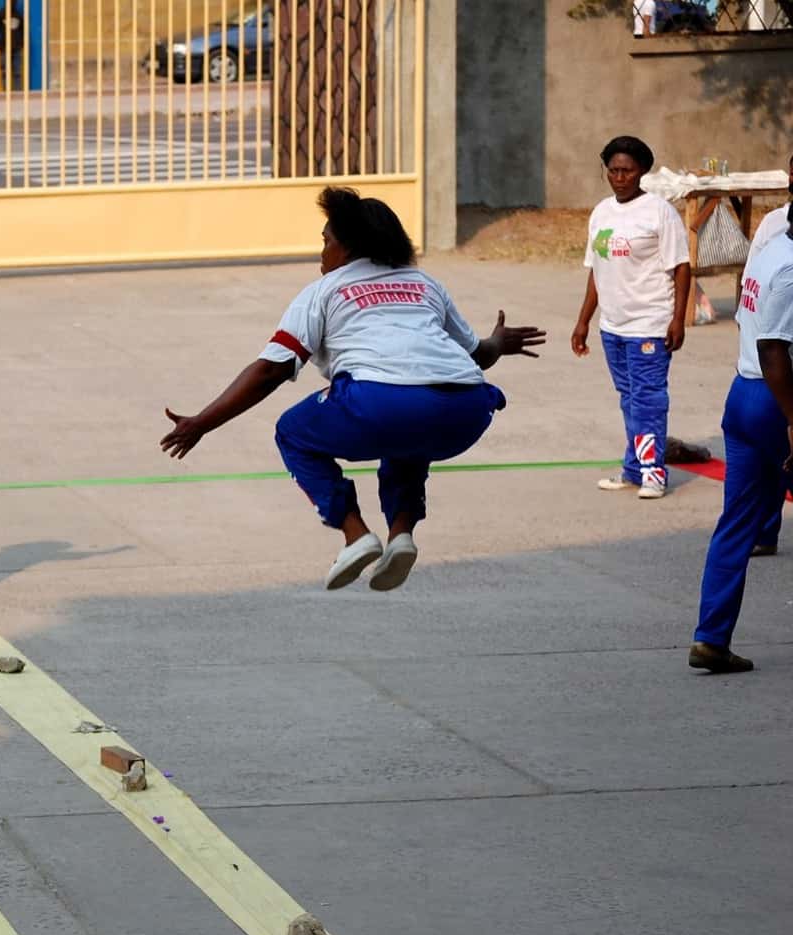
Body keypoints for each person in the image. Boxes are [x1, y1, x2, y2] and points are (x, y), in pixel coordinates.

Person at [159, 187, 545, 591]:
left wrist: (201, 422)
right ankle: (401, 535)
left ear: (346, 247)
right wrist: (500, 342)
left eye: (325, 241)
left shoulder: (323, 291)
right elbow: (478, 355)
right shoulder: (424, 282)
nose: (321, 252)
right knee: (409, 437)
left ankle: (355, 534)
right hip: (466, 409)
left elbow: (270, 371)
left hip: (380, 403)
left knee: (293, 431)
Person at [690, 226, 793, 672]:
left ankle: (711, 638)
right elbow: (773, 350)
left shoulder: (771, 247)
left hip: (744, 394)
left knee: (735, 524)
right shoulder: (790, 269)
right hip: (779, 397)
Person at [571, 135, 691, 499]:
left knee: (648, 399)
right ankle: (634, 467)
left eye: (627, 170)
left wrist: (678, 319)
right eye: (613, 170)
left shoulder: (659, 212)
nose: (619, 177)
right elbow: (597, 270)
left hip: (649, 325)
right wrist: (583, 321)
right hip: (613, 327)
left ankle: (653, 473)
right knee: (629, 398)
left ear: (642, 172)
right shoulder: (602, 212)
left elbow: (681, 267)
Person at [740, 150, 792, 557]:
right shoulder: (776, 229)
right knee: (774, 457)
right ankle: (763, 529)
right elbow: (770, 341)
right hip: (769, 372)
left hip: (754, 381)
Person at [0, 1, 26, 91]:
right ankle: (6, 92)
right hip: (4, 48)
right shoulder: (1, 14)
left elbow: (23, 30)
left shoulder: (18, 15)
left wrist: (22, 43)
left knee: (16, 73)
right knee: (6, 73)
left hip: (16, 48)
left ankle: (17, 93)